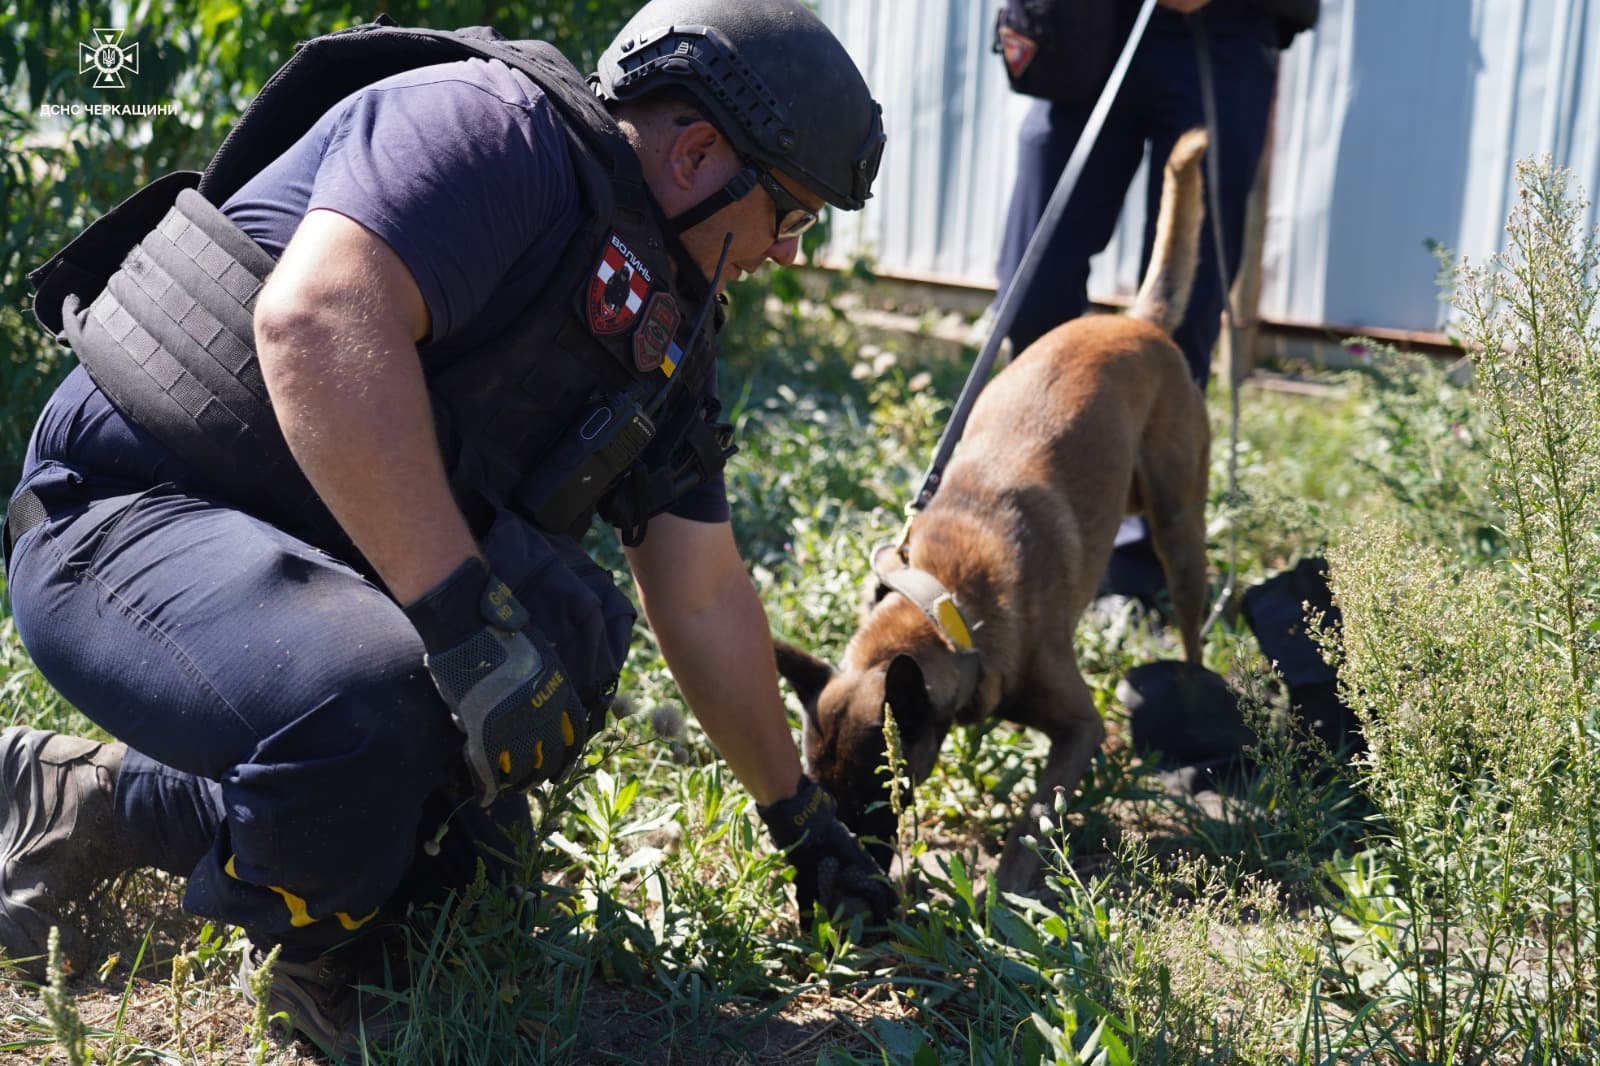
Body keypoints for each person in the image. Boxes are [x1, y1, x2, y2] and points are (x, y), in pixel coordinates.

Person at [0, 0, 893, 1054]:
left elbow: (697, 589)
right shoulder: (490, 129)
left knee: (467, 859)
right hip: (127, 512)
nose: (785, 254)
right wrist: (466, 624)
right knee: (372, 712)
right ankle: (312, 969)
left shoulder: (666, 316)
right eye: (790, 216)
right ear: (700, 154)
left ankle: (96, 800)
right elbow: (318, 317)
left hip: (299, 566)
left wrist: (799, 822)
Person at [995, 0, 1317, 603]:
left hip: (1224, 29)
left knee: (1181, 316)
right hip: (1087, 26)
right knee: (1031, 285)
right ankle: (1028, 509)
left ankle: (1140, 570)